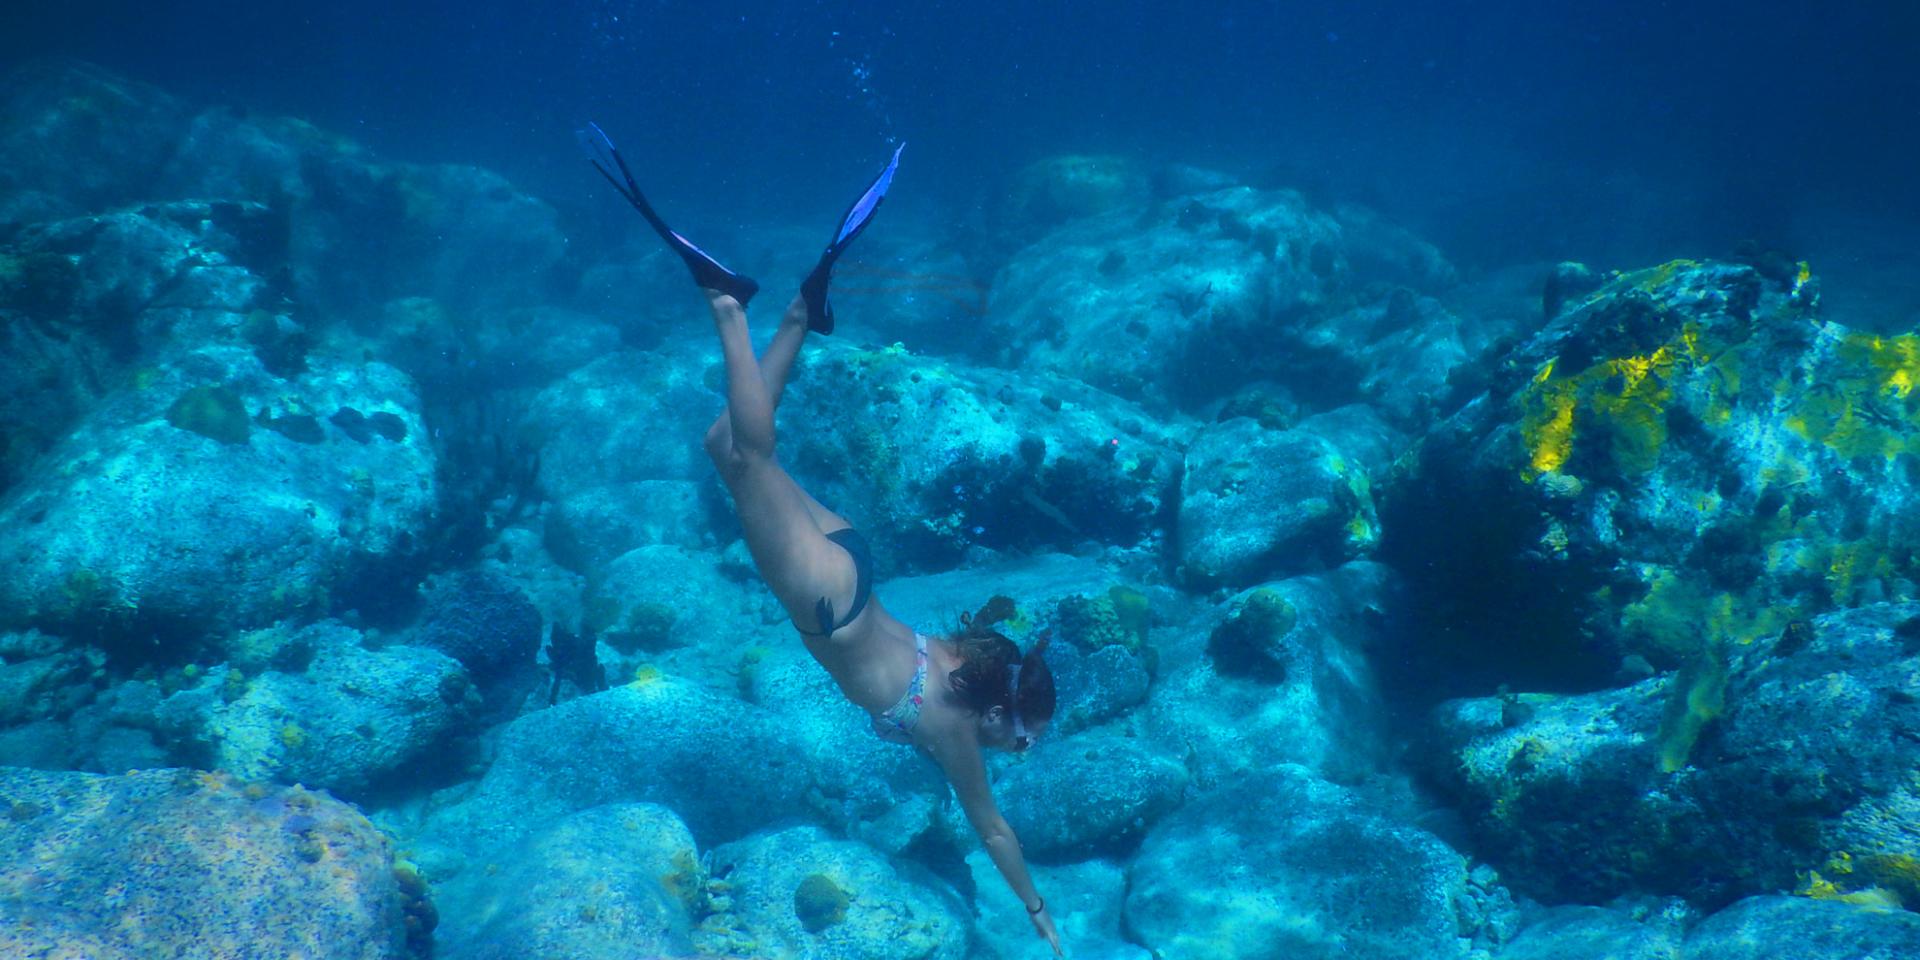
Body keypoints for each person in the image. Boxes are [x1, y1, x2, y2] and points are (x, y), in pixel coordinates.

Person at [581, 124, 1063, 955]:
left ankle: (803, 315)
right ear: (1000, 719)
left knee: (723, 449)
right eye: (1021, 741)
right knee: (754, 452)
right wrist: (1040, 918)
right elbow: (991, 831)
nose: (1017, 753)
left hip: (852, 565)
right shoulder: (955, 726)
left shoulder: (967, 654)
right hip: (826, 600)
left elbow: (1010, 672)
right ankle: (729, 306)